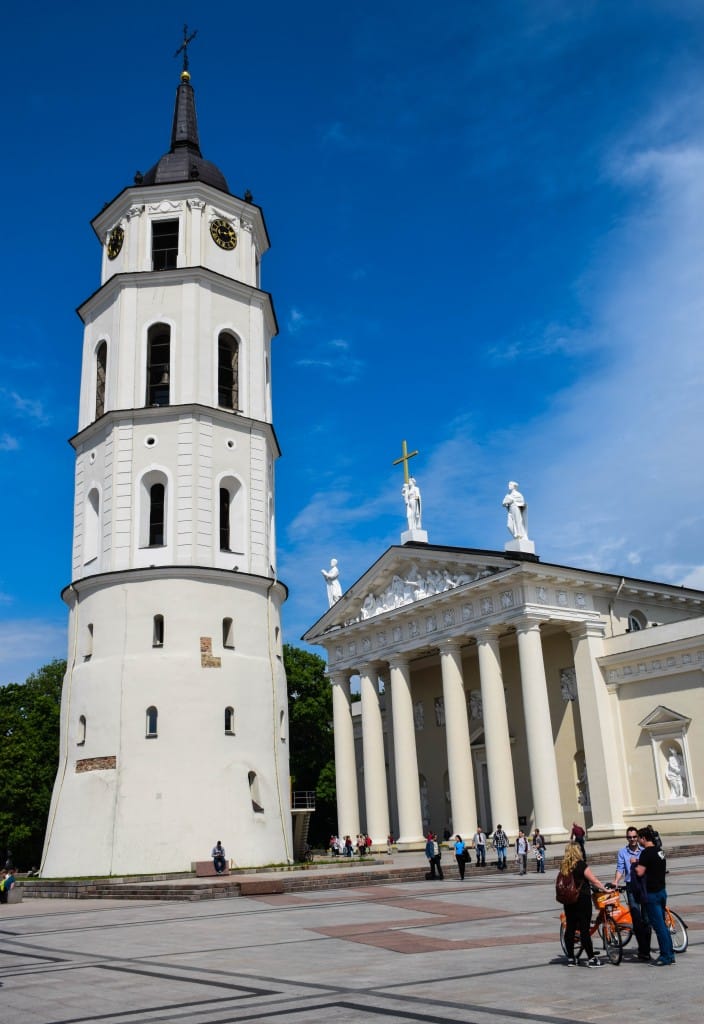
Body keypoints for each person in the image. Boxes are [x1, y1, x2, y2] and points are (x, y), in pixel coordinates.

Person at [560, 842, 608, 967]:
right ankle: (591, 958)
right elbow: (594, 880)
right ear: (577, 851)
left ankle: (571, 958)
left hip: (568, 900)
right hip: (582, 900)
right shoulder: (581, 865)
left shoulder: (564, 866)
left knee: (570, 927)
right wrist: (605, 889)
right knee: (584, 929)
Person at [635, 825, 674, 965]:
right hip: (662, 891)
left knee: (659, 926)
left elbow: (640, 872)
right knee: (662, 924)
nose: (638, 841)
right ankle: (670, 954)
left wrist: (634, 864)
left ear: (644, 838)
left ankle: (665, 956)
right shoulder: (660, 851)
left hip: (651, 894)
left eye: (639, 838)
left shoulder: (646, 853)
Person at [614, 827, 652, 961]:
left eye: (634, 837)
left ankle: (646, 949)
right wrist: (616, 881)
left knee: (647, 919)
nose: (632, 839)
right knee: (636, 918)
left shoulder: (645, 850)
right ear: (627, 838)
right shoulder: (622, 852)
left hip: (644, 886)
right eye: (630, 837)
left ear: (638, 837)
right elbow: (620, 868)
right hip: (631, 887)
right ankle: (643, 949)